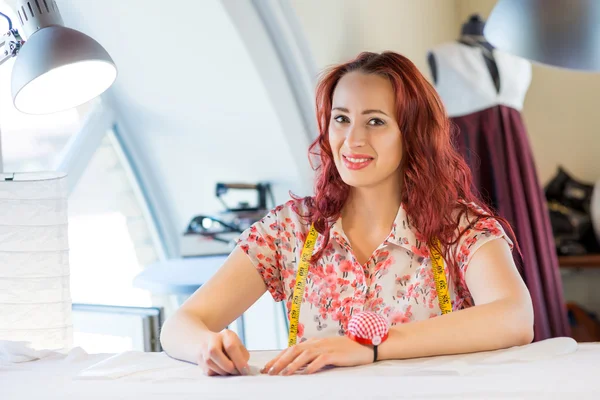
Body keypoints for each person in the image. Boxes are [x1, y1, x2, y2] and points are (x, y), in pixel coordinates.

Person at [159, 51, 534, 377]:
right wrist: (208, 345)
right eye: (341, 119)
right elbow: (179, 325)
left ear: (413, 133)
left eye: (375, 121)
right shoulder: (289, 231)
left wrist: (373, 346)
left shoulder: (460, 229)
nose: (352, 139)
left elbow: (515, 317)